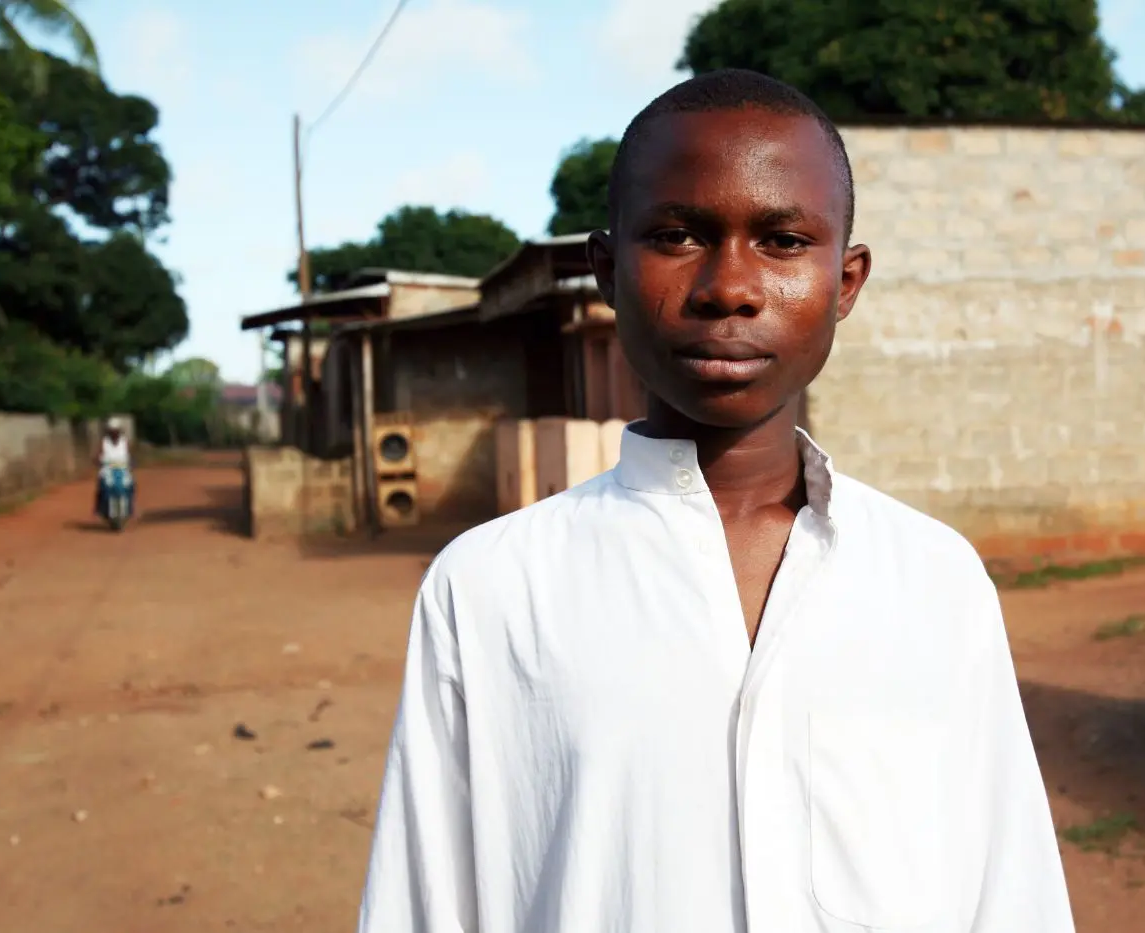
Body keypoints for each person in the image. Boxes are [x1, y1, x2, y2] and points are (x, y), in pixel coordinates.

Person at [358, 69, 1075, 933]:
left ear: (845, 282)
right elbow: (425, 903)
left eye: (781, 241)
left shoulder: (934, 579)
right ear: (605, 270)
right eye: (677, 234)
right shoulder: (490, 589)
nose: (728, 286)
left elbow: (1009, 892)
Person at [94, 417, 132, 519]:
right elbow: (98, 454)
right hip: (108, 469)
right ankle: (100, 509)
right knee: (102, 487)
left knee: (130, 486)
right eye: (112, 431)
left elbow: (129, 454)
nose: (114, 433)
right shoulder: (104, 442)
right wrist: (98, 460)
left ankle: (129, 509)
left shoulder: (124, 442)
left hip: (122, 469)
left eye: (116, 431)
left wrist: (131, 462)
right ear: (109, 431)